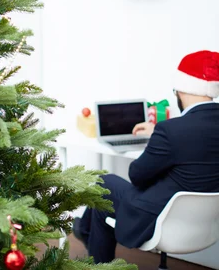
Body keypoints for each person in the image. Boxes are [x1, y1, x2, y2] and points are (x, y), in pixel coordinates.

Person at [72, 50, 219, 263]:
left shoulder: (171, 131)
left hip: (159, 218)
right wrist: (158, 133)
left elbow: (137, 176)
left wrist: (160, 136)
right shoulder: (173, 130)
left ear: (181, 89)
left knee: (104, 183)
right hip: (204, 224)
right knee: (101, 208)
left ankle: (86, 235)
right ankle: (85, 230)